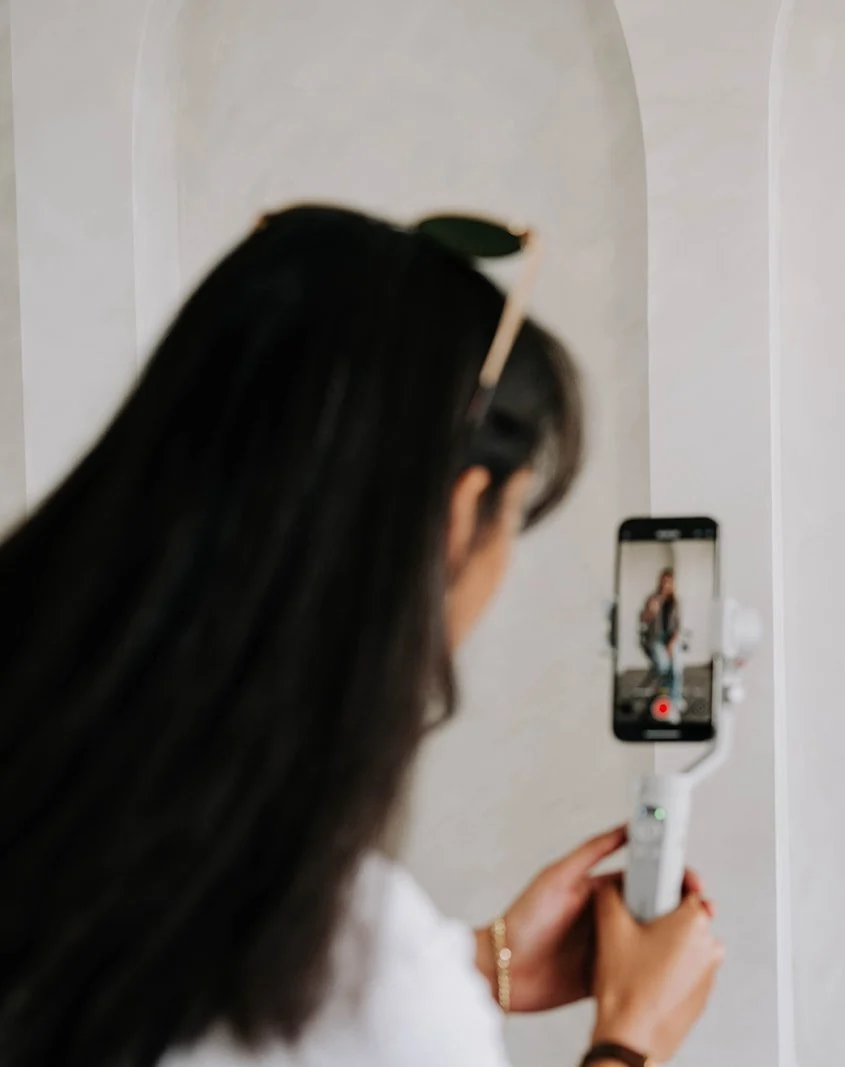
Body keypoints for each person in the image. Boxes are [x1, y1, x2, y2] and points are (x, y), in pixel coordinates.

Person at [0, 205, 723, 1067]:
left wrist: (476, 961)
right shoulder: (369, 987)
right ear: (460, 516)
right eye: (515, 516)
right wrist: (628, 1040)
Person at [638, 569, 683, 707]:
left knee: (676, 667)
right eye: (663, 582)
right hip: (655, 639)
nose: (665, 585)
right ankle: (660, 694)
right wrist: (650, 611)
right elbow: (643, 620)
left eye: (668, 583)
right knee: (663, 665)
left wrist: (671, 644)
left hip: (670, 639)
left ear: (672, 584)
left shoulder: (675, 603)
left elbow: (677, 627)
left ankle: (674, 700)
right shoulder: (652, 599)